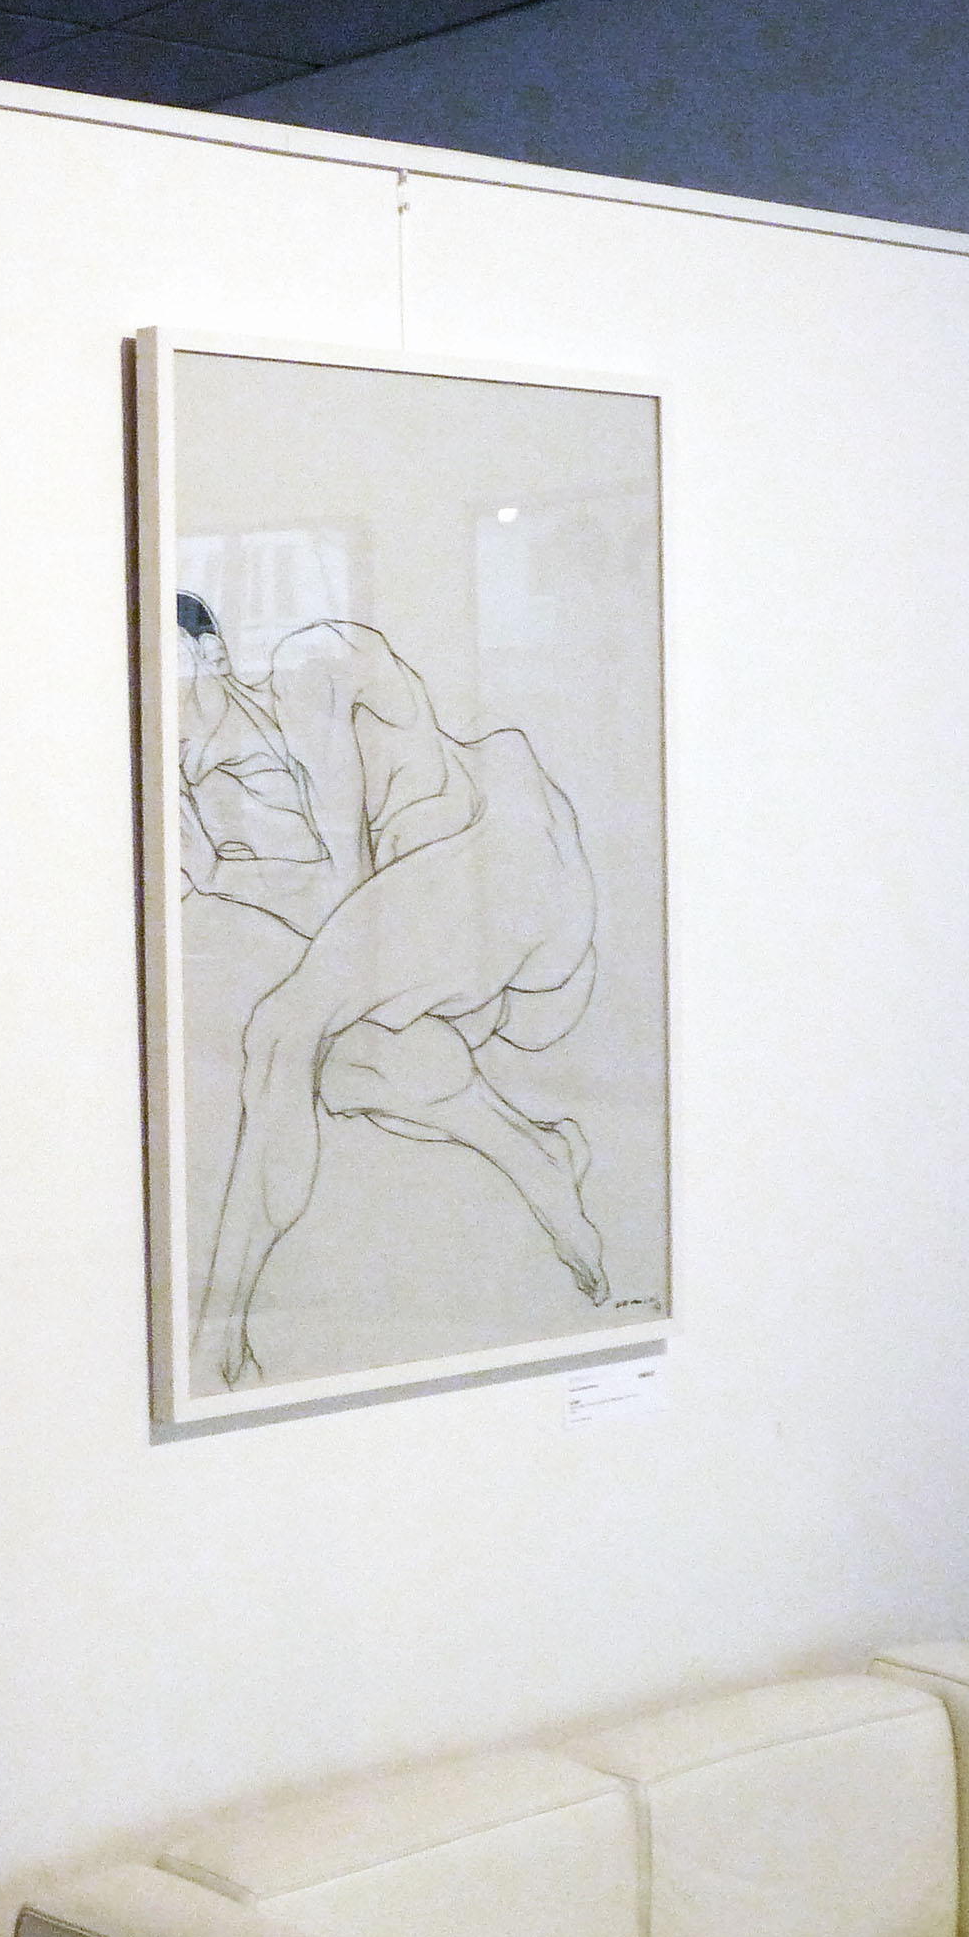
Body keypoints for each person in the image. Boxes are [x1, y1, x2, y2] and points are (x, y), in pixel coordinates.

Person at [174, 593, 606, 1387]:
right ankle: (534, 1153)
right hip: (451, 959)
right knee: (341, 1061)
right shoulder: (207, 802)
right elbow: (335, 927)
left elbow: (351, 886)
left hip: (507, 867)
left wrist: (233, 879)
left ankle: (218, 1333)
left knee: (285, 1032)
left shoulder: (315, 667)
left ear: (210, 655)